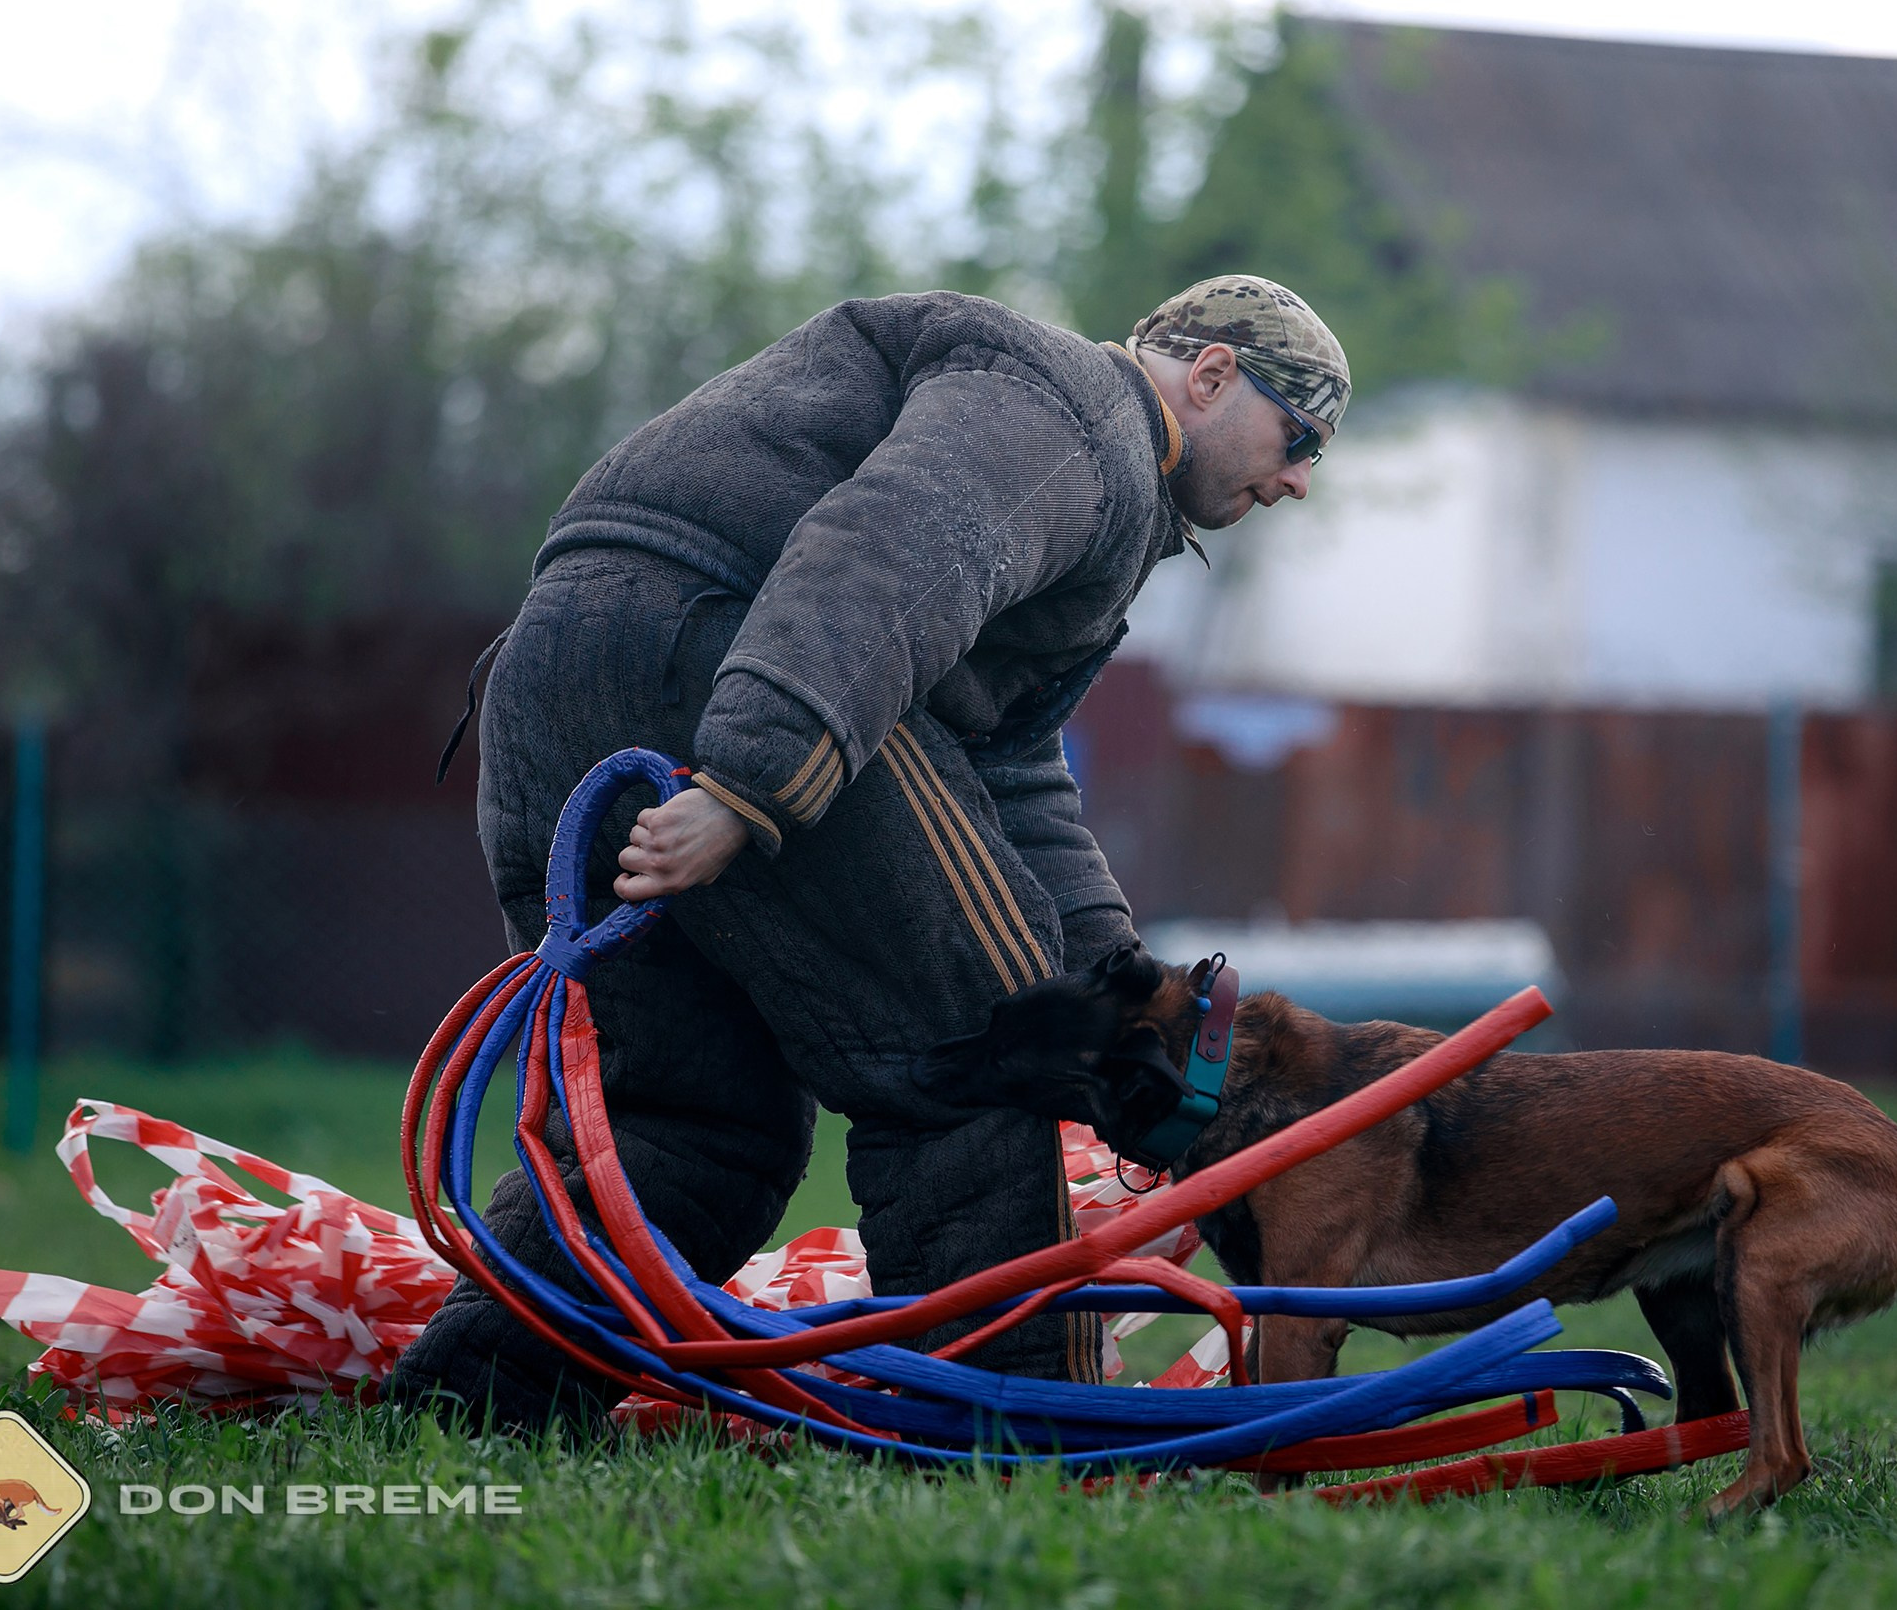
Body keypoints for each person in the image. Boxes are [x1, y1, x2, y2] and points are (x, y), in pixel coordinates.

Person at [384, 275, 1350, 1436]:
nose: (1297, 480)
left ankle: (473, 1405)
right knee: (992, 1045)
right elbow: (890, 550)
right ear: (1208, 374)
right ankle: (1016, 1440)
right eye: (1297, 437)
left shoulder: (1093, 470)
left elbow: (1003, 762)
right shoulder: (1076, 412)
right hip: (728, 658)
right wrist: (751, 784)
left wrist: (1119, 983)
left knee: (695, 1122)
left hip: (556, 676)